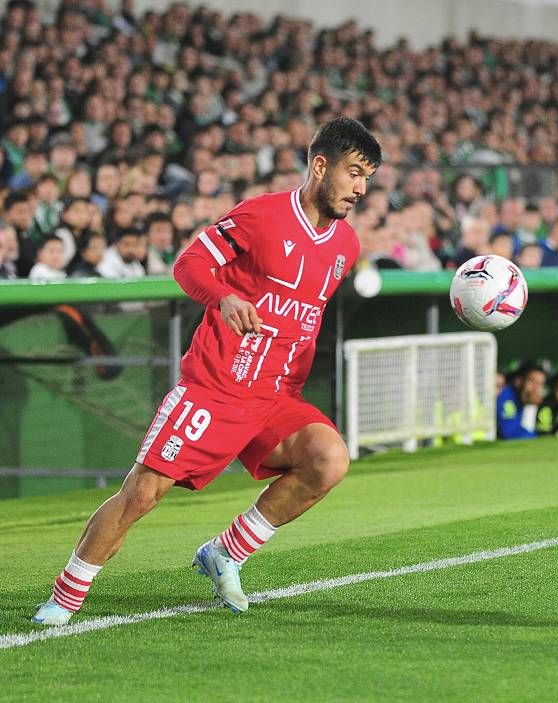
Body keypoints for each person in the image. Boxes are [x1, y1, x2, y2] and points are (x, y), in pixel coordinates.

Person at [31, 117, 383, 626]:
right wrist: (225, 297)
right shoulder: (261, 216)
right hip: (216, 388)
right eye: (354, 173)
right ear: (319, 165)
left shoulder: (346, 245)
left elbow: (304, 318)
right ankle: (64, 597)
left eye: (367, 178)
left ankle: (226, 553)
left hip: (275, 396)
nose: (360, 188)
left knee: (328, 460)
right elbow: (188, 264)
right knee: (141, 494)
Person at [496, 362, 546, 440]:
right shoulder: (506, 398)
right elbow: (512, 435)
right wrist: (531, 406)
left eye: (540, 384)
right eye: (531, 381)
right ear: (518, 381)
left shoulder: (544, 402)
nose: (536, 389)